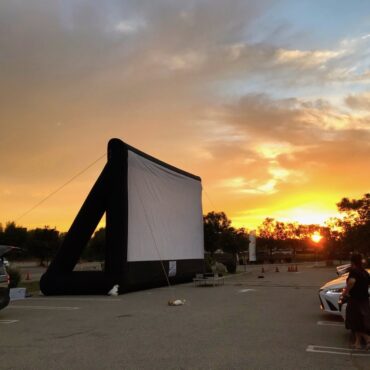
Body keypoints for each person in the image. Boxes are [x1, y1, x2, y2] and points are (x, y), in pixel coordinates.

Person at [344, 253, 370, 349]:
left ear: (352, 261)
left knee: (353, 321)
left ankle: (368, 339)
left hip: (355, 300)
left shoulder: (354, 271)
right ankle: (357, 343)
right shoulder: (364, 272)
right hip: (364, 300)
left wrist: (345, 292)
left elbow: (351, 282)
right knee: (359, 321)